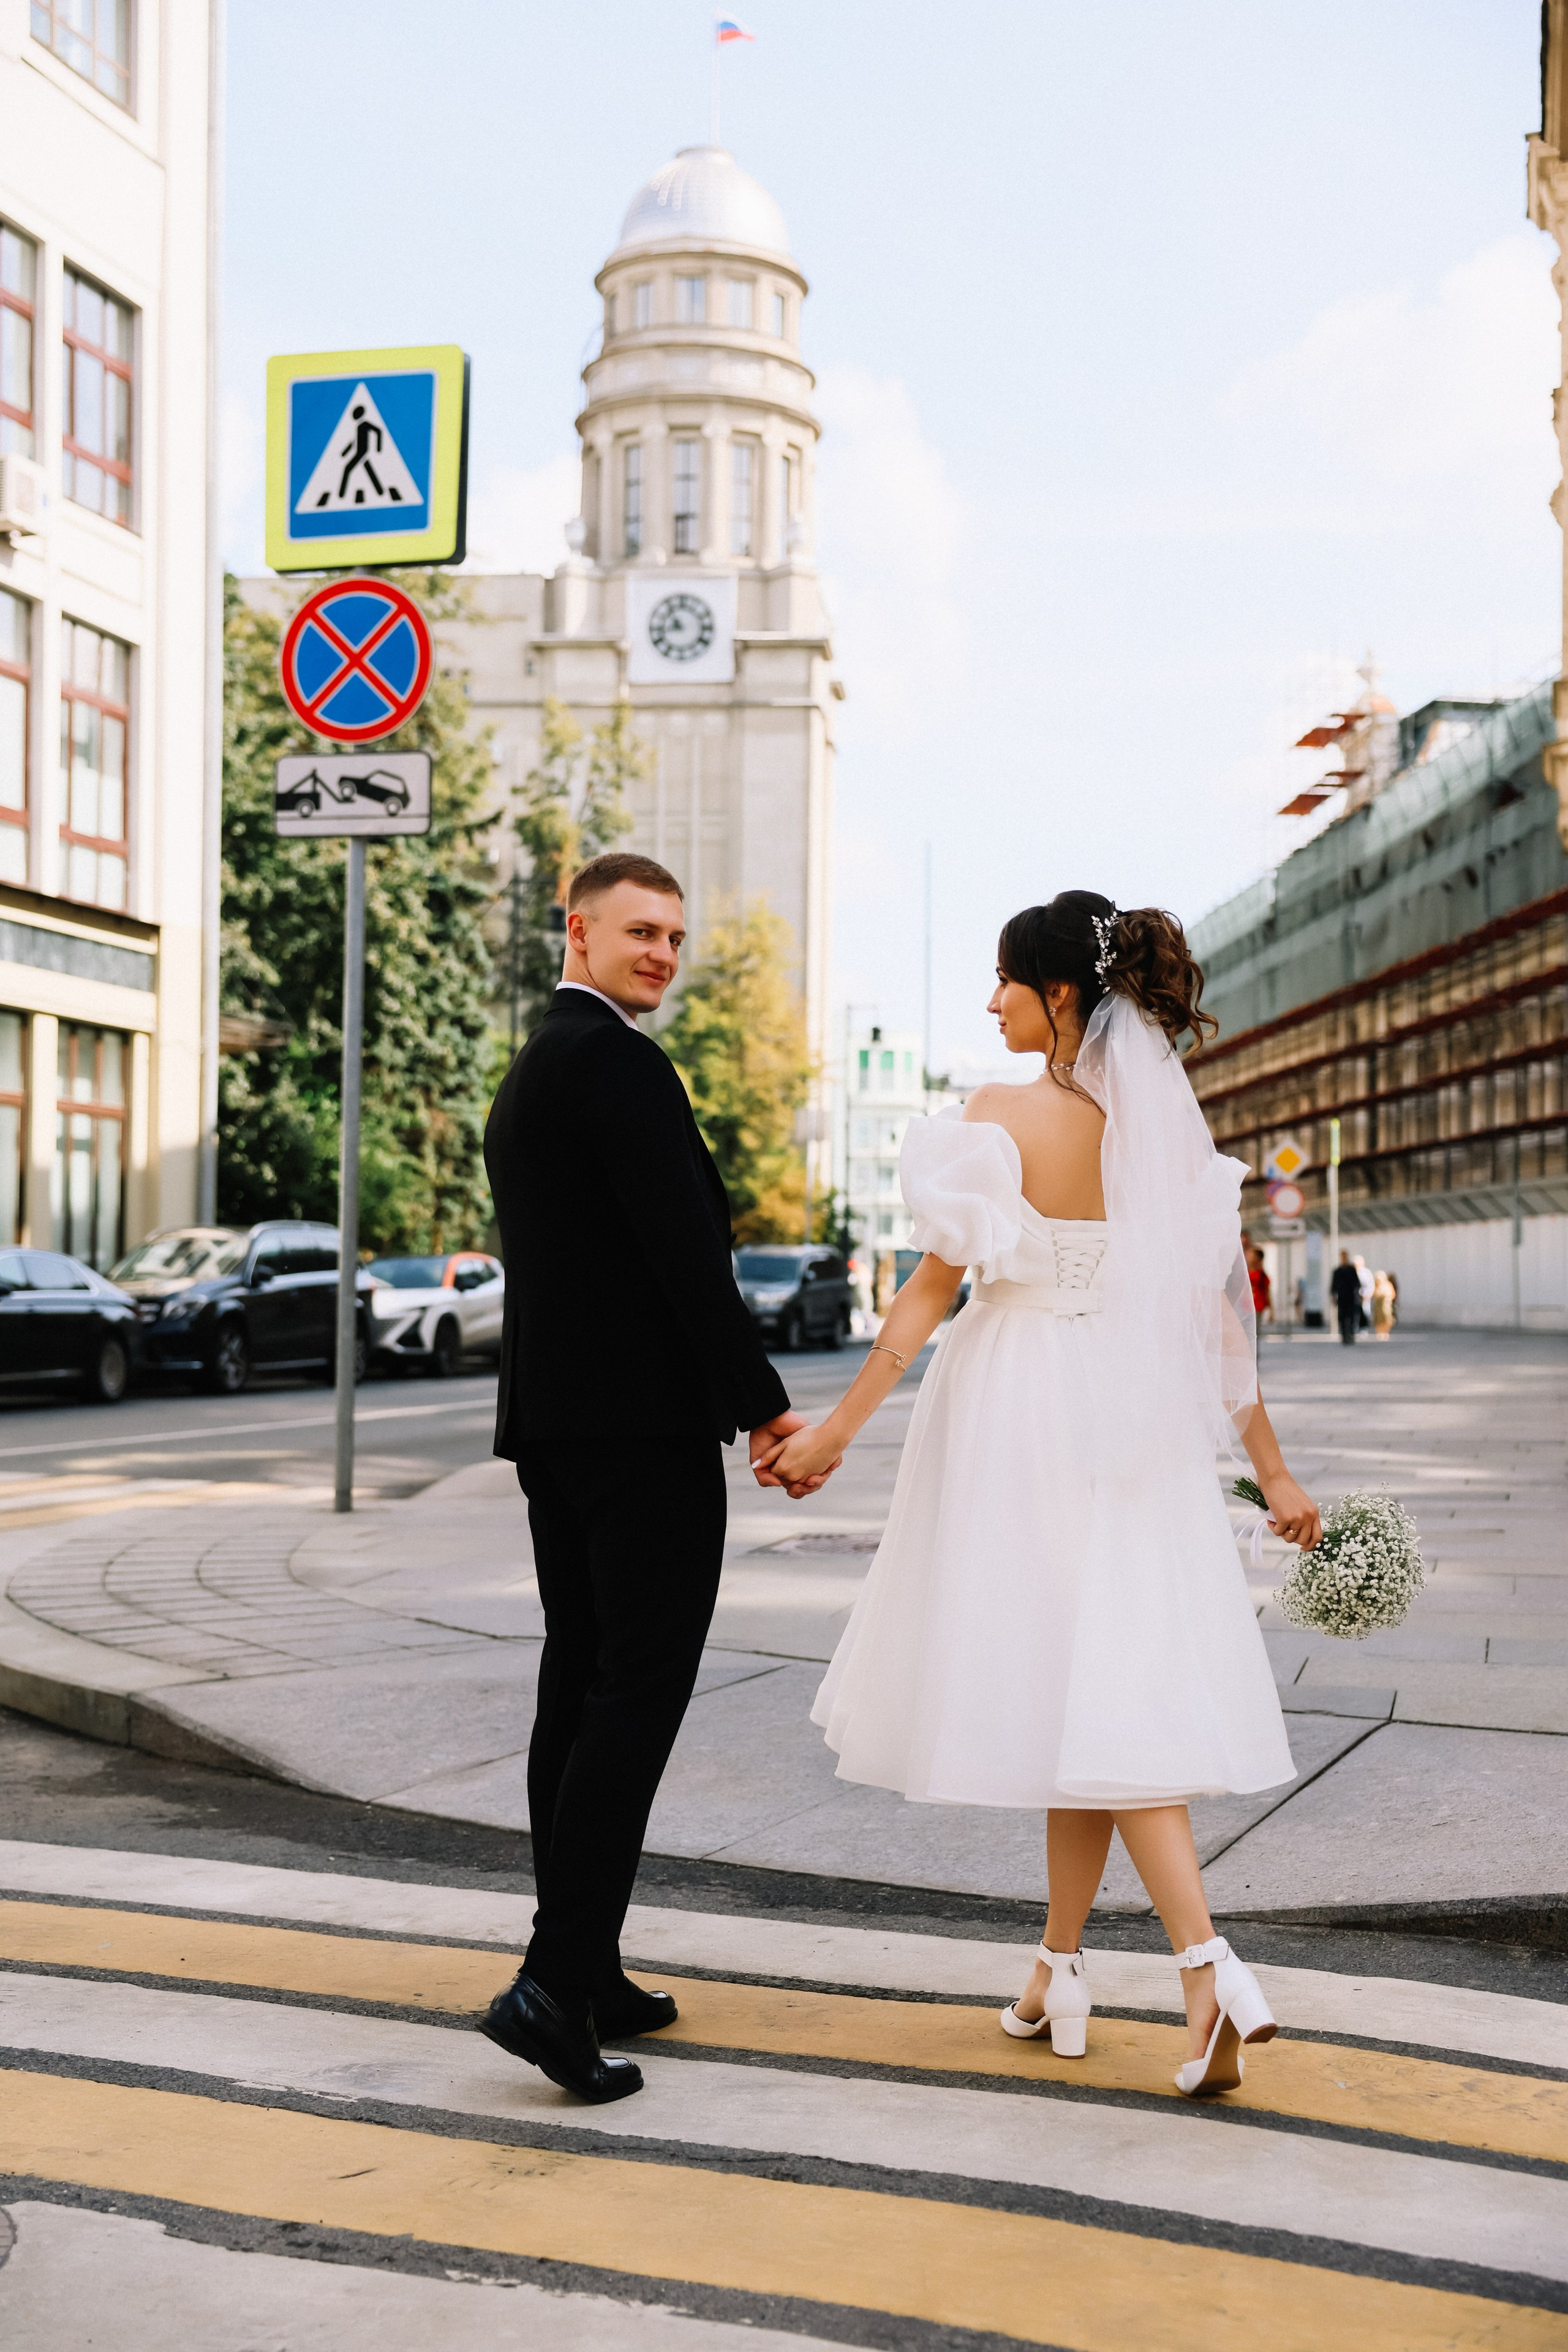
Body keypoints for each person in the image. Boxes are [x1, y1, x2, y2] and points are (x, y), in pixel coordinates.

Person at [760, 892, 1322, 2097]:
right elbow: (1211, 1326)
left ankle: (1205, 1966)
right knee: (1095, 1688)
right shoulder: (1163, 1139)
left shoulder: (994, 1118)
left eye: (1003, 980)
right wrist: (1269, 1470)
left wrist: (837, 1431)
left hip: (1019, 1409)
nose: (989, 1002)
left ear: (1057, 994)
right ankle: (1056, 1970)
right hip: (1127, 1424)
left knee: (1099, 1697)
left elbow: (924, 1298)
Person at [477, 851, 821, 2105]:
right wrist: (767, 1408)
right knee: (635, 1693)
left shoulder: (536, 1067)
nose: (662, 956)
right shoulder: (618, 1065)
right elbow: (688, 1259)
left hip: (558, 1431)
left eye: (675, 938)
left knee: (578, 1685)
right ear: (577, 930)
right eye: (639, 932)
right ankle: (555, 1983)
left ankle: (589, 1959)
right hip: (638, 1437)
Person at [1330, 1249, 1361, 1344]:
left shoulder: (1351, 1270)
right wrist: (1334, 1297)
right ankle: (1344, 1336)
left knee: (1351, 1317)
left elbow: (1357, 1283)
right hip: (1342, 1298)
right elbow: (1334, 1285)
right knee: (1342, 1318)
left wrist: (1357, 1295)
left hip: (1351, 1298)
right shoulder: (1338, 1271)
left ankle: (1351, 1335)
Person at [1246, 1244, 1271, 1323]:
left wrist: (1271, 1310)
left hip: (1258, 1306)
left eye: (1252, 1255)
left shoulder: (1262, 1275)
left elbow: (1267, 1292)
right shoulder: (1246, 1273)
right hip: (1245, 1306)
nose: (1249, 1257)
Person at [1371, 1269, 1396, 1339]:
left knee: (1387, 1319)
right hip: (1378, 1306)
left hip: (1386, 1306)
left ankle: (1386, 1332)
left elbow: (1393, 1294)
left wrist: (1388, 1298)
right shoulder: (1376, 1286)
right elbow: (1373, 1295)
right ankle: (1380, 1333)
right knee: (1379, 1319)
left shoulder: (1388, 1285)